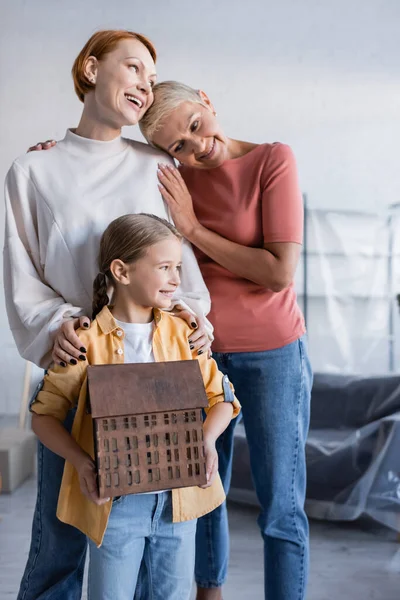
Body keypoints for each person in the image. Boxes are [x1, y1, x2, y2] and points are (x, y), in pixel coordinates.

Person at [4, 33, 212, 600]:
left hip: (154, 375)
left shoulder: (157, 166)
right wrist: (60, 325)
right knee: (61, 536)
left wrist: (191, 317)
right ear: (92, 69)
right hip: (78, 371)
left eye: (152, 76)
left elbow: (182, 274)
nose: (145, 84)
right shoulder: (33, 171)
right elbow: (24, 277)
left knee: (149, 537)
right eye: (133, 68)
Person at [138, 82, 313, 600]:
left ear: (206, 100)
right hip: (199, 354)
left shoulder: (272, 160)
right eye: (179, 148)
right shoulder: (171, 179)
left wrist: (191, 228)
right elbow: (104, 163)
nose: (197, 149)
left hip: (274, 354)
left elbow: (278, 272)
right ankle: (207, 593)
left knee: (280, 501)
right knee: (202, 487)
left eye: (195, 126)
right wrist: (55, 151)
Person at [30, 213, 241, 600]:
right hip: (115, 507)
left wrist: (206, 441)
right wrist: (80, 462)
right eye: (165, 267)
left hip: (180, 503)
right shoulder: (85, 340)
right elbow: (43, 415)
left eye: (178, 267)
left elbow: (224, 400)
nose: (177, 279)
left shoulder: (184, 333)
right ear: (121, 272)